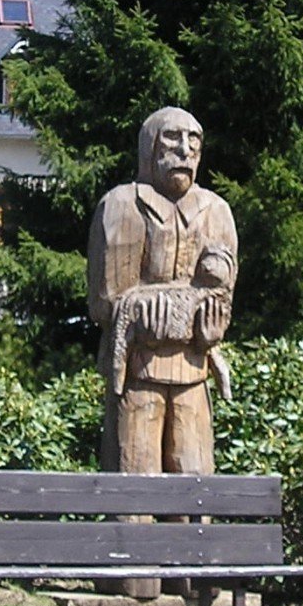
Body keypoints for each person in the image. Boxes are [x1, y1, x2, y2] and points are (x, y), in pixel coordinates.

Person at [87, 106, 238, 479]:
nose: (185, 150)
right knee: (135, 478)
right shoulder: (122, 205)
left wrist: (211, 324)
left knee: (195, 480)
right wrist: (143, 310)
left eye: (194, 141)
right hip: (138, 372)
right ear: (149, 148)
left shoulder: (215, 211)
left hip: (194, 373)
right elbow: (105, 299)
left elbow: (222, 293)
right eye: (172, 138)